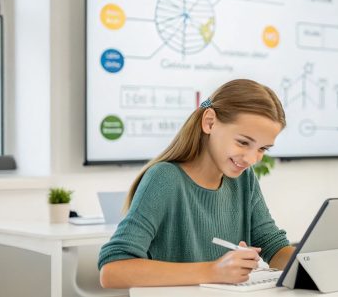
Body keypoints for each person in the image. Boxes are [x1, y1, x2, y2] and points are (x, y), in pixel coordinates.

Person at [98, 79, 295, 288]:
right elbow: (112, 270)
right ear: (209, 122)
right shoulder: (164, 178)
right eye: (243, 142)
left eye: (263, 149)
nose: (251, 159)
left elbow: (274, 247)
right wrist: (214, 270)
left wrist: (312, 264)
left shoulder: (244, 179)